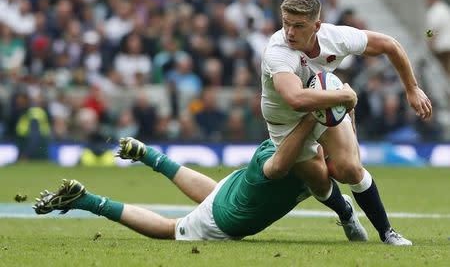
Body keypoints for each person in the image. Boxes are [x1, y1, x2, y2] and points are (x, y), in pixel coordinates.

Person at [261, 0, 432, 245]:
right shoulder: (278, 51)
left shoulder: (336, 38)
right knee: (318, 180)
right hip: (286, 123)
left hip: (325, 106)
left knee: (350, 169)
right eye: (286, 23)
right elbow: (295, 99)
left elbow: (390, 45)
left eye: (299, 26)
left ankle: (387, 233)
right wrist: (344, 98)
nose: (290, 32)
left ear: (317, 26)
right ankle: (346, 212)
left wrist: (411, 88)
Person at [33, 114, 368, 242]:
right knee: (171, 229)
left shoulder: (304, 145)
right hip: (228, 220)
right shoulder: (310, 167)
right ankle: (87, 200)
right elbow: (321, 178)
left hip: (236, 191)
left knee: (214, 191)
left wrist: (338, 110)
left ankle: (149, 155)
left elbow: (343, 148)